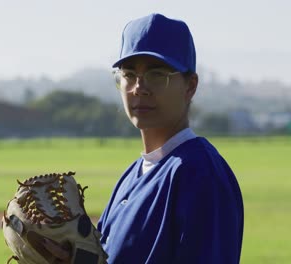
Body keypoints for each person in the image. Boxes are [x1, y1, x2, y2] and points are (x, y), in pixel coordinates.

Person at [96, 13, 244, 263]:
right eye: (129, 75)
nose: (139, 88)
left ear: (190, 86)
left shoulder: (199, 173)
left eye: (157, 75)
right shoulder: (132, 174)